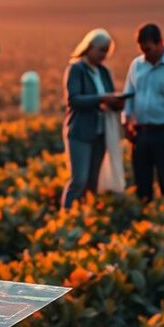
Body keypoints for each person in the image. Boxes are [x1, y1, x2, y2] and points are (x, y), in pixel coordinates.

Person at [121, 23, 164, 202]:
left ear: (161, 43)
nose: (146, 54)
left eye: (149, 49)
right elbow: (129, 95)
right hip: (141, 131)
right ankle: (144, 219)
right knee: (141, 183)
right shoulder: (136, 65)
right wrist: (126, 121)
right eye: (142, 49)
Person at [61, 28, 126, 209]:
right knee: (78, 180)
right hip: (80, 132)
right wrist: (102, 99)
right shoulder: (76, 69)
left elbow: (109, 94)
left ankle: (85, 215)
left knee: (92, 182)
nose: (103, 55)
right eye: (101, 50)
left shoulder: (103, 71)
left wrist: (117, 102)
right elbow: (73, 100)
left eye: (106, 51)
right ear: (89, 48)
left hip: (100, 132)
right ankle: (66, 215)